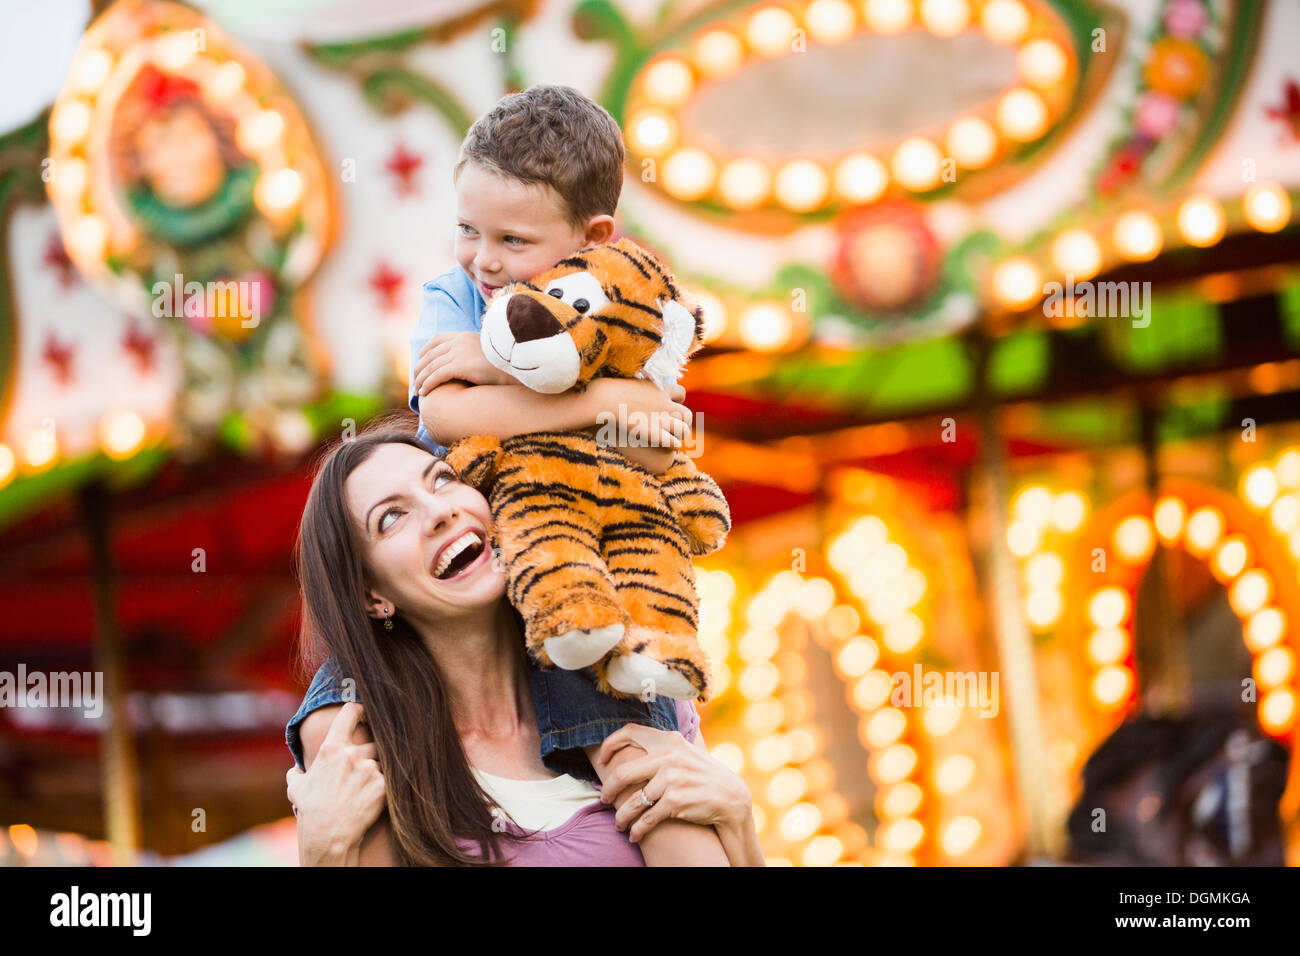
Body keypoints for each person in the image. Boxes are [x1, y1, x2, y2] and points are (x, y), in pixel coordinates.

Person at [285, 423, 762, 865]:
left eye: (443, 479)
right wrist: (322, 856)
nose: (440, 511)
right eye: (391, 518)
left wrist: (739, 822)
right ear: (372, 596)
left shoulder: (628, 682)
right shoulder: (373, 765)